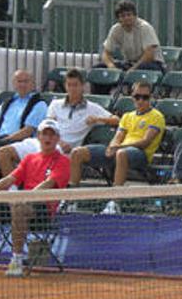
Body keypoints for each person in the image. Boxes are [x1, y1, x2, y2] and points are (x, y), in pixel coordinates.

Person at [0, 119, 70, 277]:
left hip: (43, 211)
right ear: (38, 137)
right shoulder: (29, 159)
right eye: (44, 134)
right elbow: (9, 179)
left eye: (52, 135)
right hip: (20, 203)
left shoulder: (63, 161)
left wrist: (25, 198)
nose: (48, 138)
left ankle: (17, 260)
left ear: (57, 139)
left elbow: (48, 184)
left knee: (19, 207)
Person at [0, 68, 119, 178]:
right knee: (4, 152)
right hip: (45, 142)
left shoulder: (92, 108)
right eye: (69, 85)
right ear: (65, 86)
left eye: (75, 85)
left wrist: (98, 119)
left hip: (63, 150)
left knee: (42, 160)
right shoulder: (55, 104)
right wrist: (58, 141)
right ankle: (14, 192)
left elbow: (116, 120)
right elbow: (47, 126)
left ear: (83, 86)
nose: (72, 89)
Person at [68, 81, 165, 214]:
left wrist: (119, 147)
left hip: (140, 154)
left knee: (121, 153)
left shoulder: (157, 116)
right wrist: (112, 146)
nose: (141, 100)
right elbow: (118, 136)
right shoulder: (127, 116)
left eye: (145, 97)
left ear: (151, 97)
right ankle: (70, 199)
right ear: (132, 97)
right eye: (137, 97)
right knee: (77, 153)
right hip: (121, 149)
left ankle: (115, 201)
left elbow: (145, 142)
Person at [0, 70, 48, 190]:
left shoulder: (39, 104)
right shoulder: (8, 102)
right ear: (14, 83)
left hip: (20, 141)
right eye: (19, 81)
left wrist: (3, 140)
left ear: (33, 84)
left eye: (26, 81)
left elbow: (28, 130)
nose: (22, 84)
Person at [93, 0, 166, 94]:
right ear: (118, 19)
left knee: (138, 71)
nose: (126, 18)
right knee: (98, 69)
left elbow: (149, 55)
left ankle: (134, 99)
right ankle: (101, 101)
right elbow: (106, 53)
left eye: (129, 15)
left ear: (135, 15)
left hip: (152, 65)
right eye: (123, 16)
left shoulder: (145, 27)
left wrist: (133, 69)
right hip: (129, 64)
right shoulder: (116, 29)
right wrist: (111, 67)